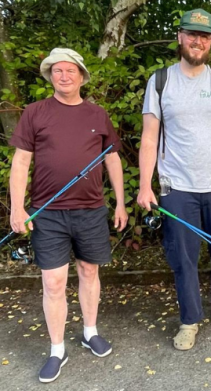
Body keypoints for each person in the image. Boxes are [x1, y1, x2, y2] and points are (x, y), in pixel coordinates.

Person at [137, 8, 211, 351]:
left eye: (204, 36)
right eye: (192, 34)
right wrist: (146, 184)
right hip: (177, 187)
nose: (197, 41)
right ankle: (189, 320)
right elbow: (149, 137)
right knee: (184, 258)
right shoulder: (160, 81)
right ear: (180, 37)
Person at [9, 48, 128, 383]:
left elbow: (113, 159)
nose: (64, 76)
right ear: (50, 76)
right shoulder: (35, 112)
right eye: (57, 71)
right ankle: (57, 349)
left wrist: (120, 203)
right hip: (47, 213)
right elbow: (21, 163)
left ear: (81, 76)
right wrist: (18, 207)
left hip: (91, 210)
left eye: (70, 71)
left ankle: (90, 331)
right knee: (53, 281)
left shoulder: (97, 114)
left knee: (90, 271)